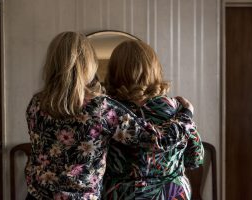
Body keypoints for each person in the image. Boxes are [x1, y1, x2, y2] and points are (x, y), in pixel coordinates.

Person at [24, 32, 195, 200]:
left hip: (36, 195)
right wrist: (186, 115)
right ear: (88, 65)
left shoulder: (36, 104)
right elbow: (157, 141)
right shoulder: (101, 108)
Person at [103, 40, 204, 199]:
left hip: (122, 193)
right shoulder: (178, 108)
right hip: (171, 193)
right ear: (154, 69)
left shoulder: (107, 110)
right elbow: (195, 158)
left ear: (114, 72)